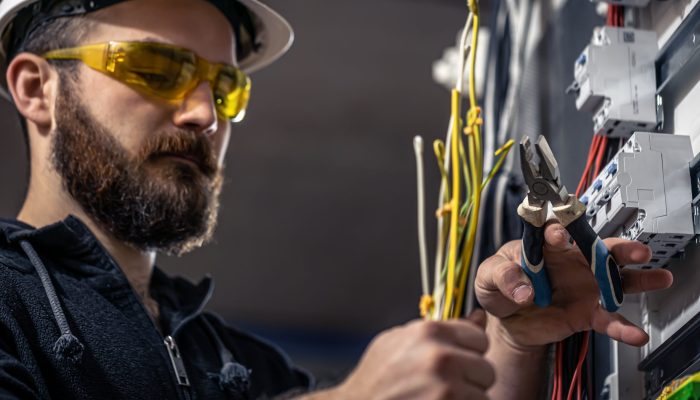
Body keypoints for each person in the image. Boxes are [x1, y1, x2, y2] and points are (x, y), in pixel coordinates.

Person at [0, 0, 674, 399]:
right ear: (36, 89)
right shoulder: (11, 307)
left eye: (226, 87)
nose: (206, 114)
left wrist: (516, 338)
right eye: (155, 69)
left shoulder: (241, 366)